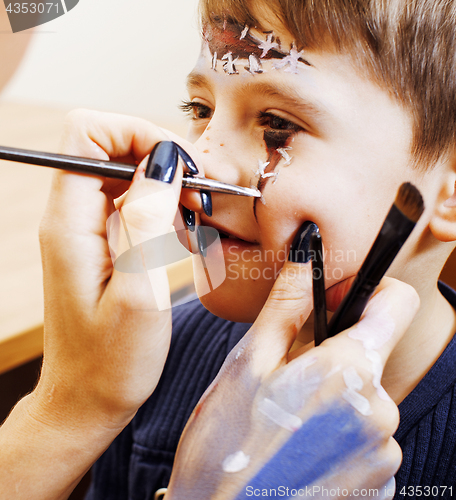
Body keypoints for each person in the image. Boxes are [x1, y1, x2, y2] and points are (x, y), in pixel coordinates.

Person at [1, 1, 455, 500]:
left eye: (276, 123)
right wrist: (70, 407)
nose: (199, 166)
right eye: (200, 110)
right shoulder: (153, 354)